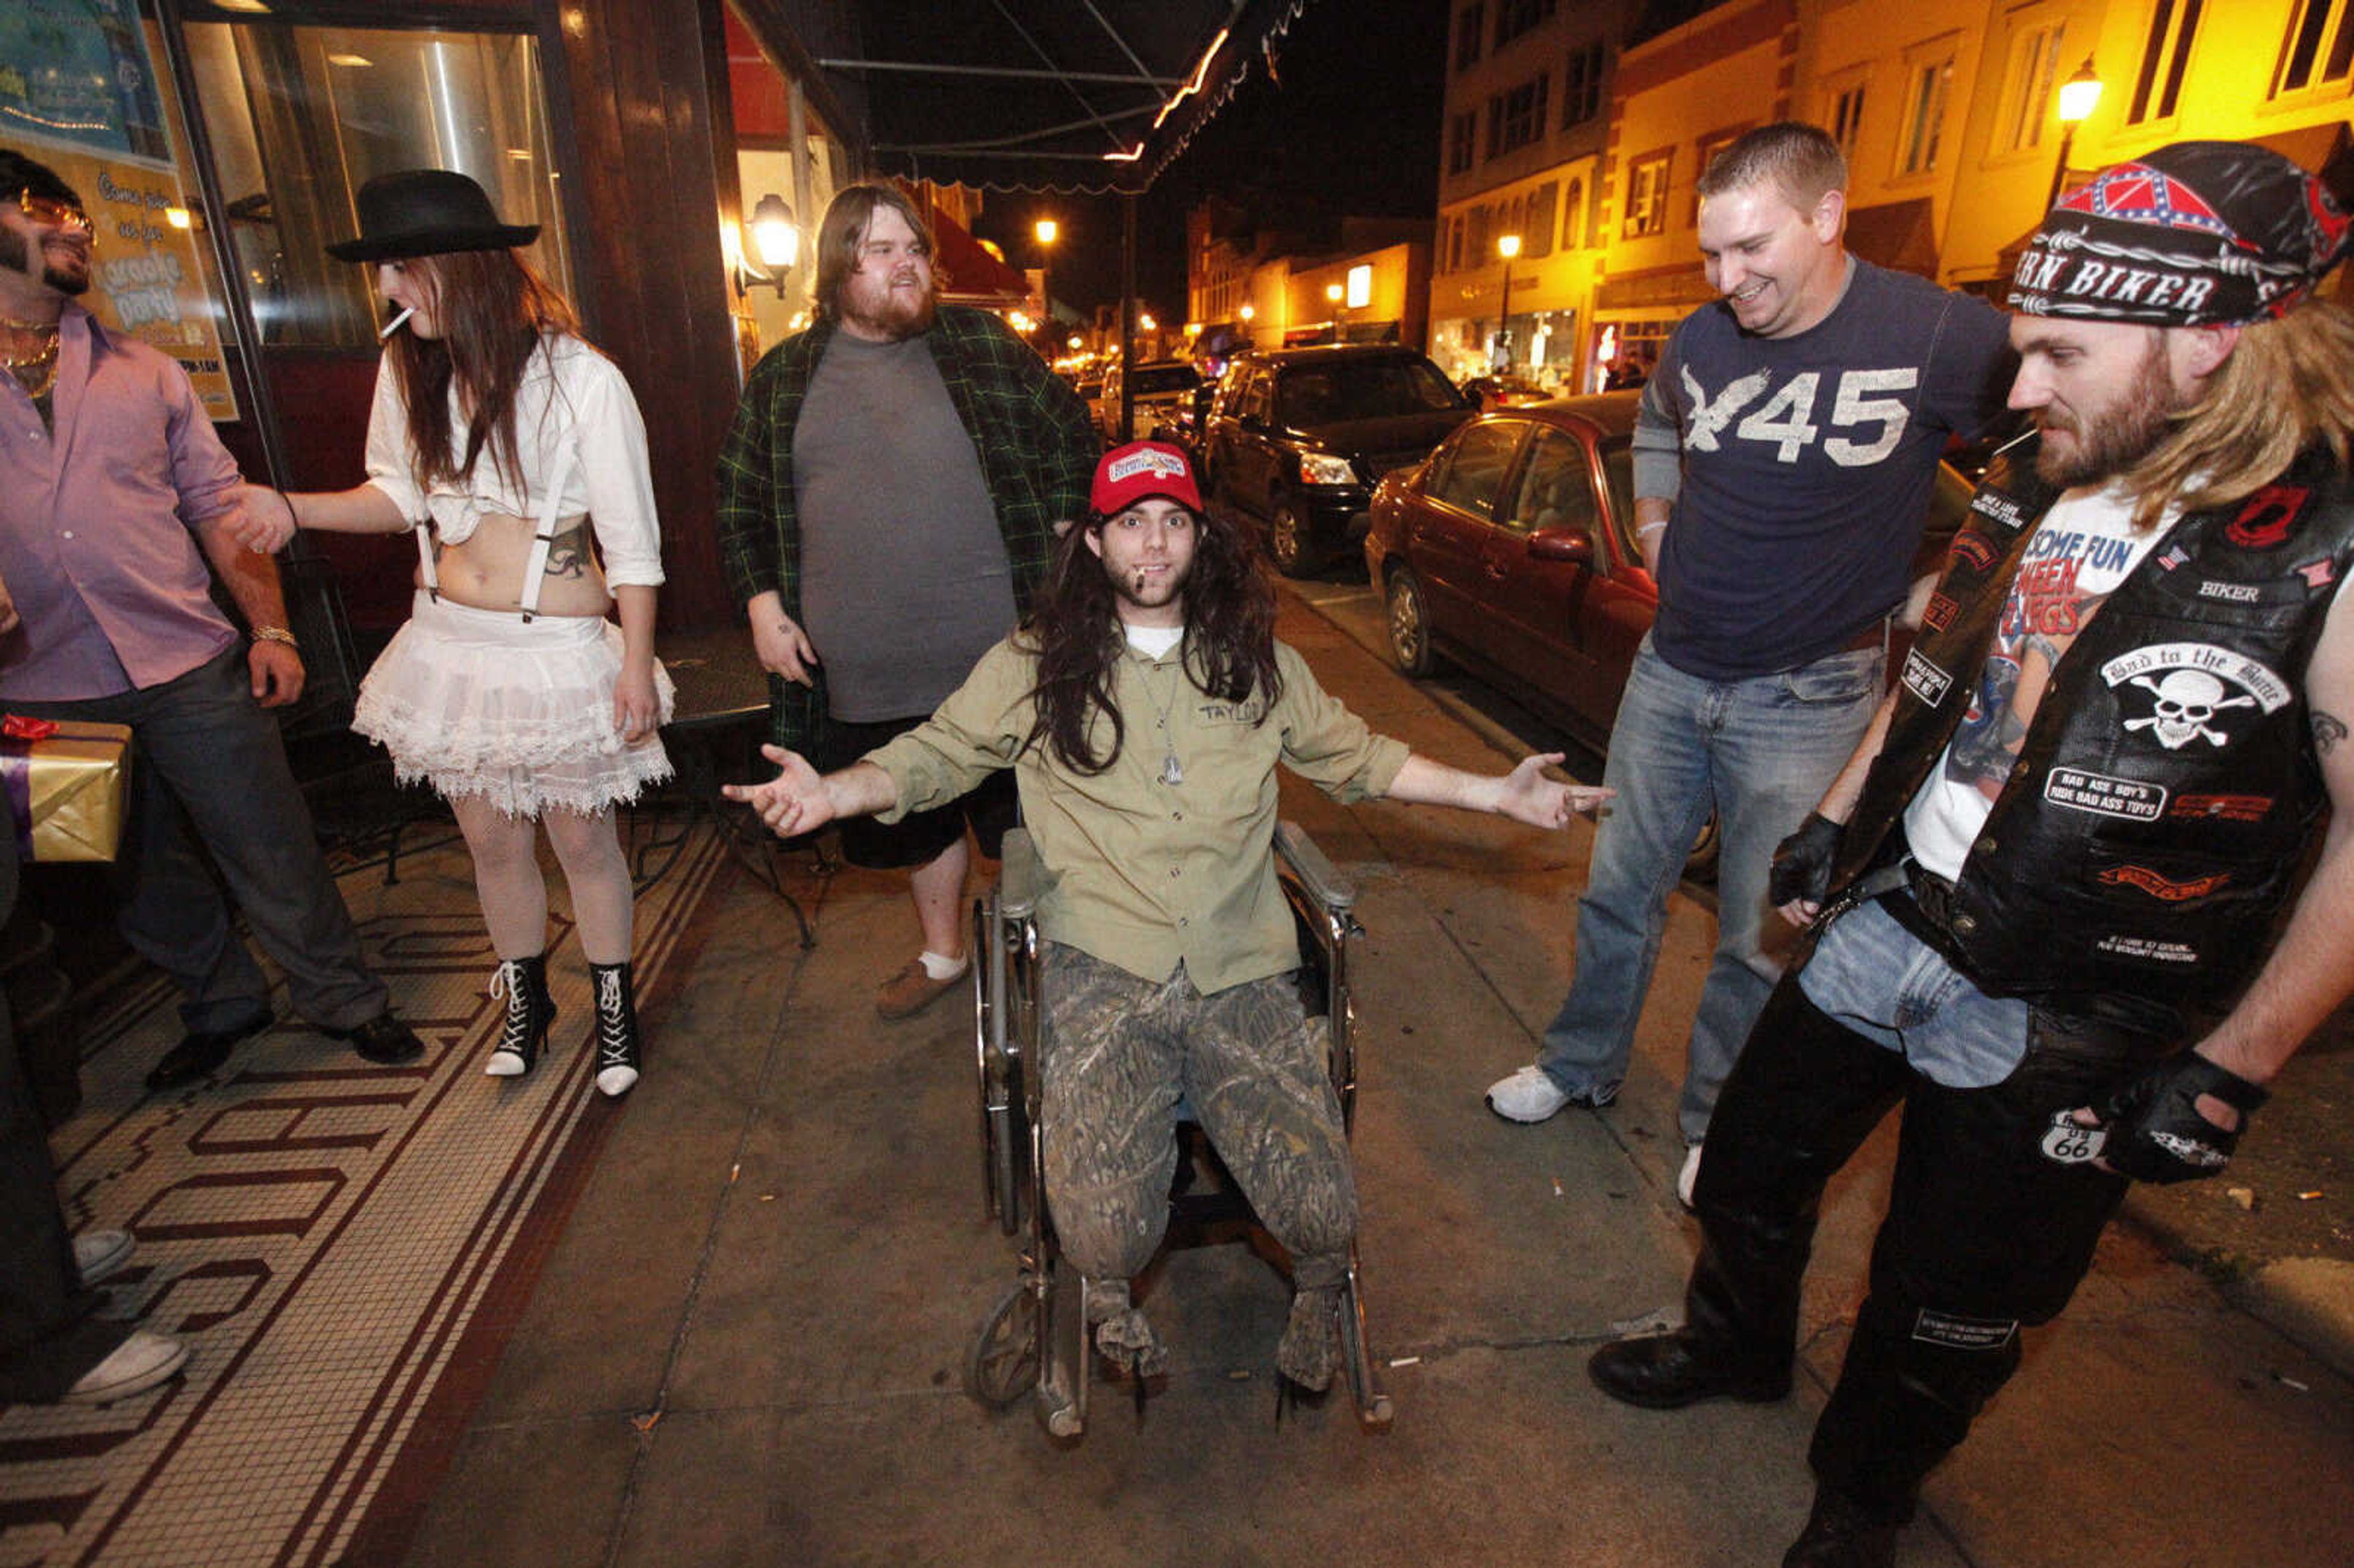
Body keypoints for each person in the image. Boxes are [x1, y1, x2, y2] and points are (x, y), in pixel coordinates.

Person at [1586, 140, 2354, 1568]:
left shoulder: (2329, 536)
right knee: (1748, 1164)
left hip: (2070, 1002)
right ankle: (1741, 1345)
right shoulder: (2051, 471)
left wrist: (2237, 1064)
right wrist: (1839, 815)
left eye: (2060, 352)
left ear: (2210, 340)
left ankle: (1864, 1497)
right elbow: (1943, 663)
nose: (2018, 389)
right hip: (1900, 913)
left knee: (1943, 1293)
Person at [725, 441, 1610, 1386]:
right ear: (1094, 543)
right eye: (1132, 524)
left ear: (1203, 539)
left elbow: (1361, 758)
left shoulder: (1256, 662)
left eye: (1175, 522)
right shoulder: (1035, 664)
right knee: (1105, 1234)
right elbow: (934, 756)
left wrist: (1497, 795)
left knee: (1324, 1209)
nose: (1154, 545)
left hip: (1243, 964)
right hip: (1105, 969)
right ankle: (1107, 1302)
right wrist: (837, 795)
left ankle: (1317, 1291)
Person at [1484, 123, 2016, 1208]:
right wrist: (1654, 519)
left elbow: (2049, 455)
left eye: (1750, 249)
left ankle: (1715, 1120)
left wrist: (1957, 592)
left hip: (1811, 694)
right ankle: (1578, 1065)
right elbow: (1659, 420)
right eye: (1711, 255)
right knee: (1617, 891)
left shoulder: (1939, 332)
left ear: (1828, 216)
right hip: (1670, 672)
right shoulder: (1703, 339)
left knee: (1760, 933)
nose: (1728, 281)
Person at [233, 169, 671, 1098]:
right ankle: (526, 1000)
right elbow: (395, 494)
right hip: (451, 643)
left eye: (401, 268)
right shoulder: (407, 367)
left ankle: (614, 1005)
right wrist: (288, 506)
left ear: (461, 268)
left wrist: (634, 662)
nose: (388, 289)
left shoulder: (582, 377)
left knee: (584, 841)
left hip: (554, 650)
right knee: (490, 841)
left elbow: (633, 543)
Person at [0, 148, 423, 1089]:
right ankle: (221, 1002)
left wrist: (271, 630)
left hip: (187, 661)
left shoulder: (143, 372)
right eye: (41, 208)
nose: (72, 225)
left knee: (267, 838)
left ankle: (344, 997)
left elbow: (221, 509)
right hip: (41, 686)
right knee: (131, 867)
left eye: (77, 212)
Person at [714, 183, 1099, 1021]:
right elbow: (738, 502)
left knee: (1030, 828)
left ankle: (1057, 966)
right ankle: (943, 957)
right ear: (837, 270)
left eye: (915, 250)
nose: (908, 266)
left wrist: (1066, 522)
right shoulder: (783, 378)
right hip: (867, 674)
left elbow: (1074, 427)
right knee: (914, 819)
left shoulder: (980, 346)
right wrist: (760, 607)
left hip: (1005, 662)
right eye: (881, 251)